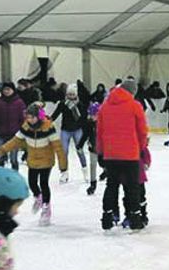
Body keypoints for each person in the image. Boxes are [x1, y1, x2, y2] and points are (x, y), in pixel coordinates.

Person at [0, 103, 67, 227]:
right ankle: (38, 198)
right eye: (28, 117)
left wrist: (63, 166)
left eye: (32, 117)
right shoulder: (26, 127)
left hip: (46, 160)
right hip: (32, 159)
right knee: (32, 183)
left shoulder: (48, 127)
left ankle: (46, 208)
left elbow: (58, 147)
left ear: (38, 116)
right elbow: (15, 141)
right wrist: (1, 150)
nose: (30, 120)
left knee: (43, 183)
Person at [96, 80, 148, 231]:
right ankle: (135, 219)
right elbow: (142, 131)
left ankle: (107, 218)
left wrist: (101, 151)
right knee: (132, 188)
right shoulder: (135, 106)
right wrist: (142, 148)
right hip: (130, 153)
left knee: (111, 186)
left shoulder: (104, 106)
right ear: (132, 92)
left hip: (111, 154)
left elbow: (99, 132)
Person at [51, 86, 88, 184]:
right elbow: (55, 114)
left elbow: (84, 117)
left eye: (73, 94)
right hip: (65, 130)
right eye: (69, 94)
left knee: (80, 150)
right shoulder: (63, 104)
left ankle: (85, 170)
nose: (71, 96)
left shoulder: (80, 104)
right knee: (64, 152)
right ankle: (64, 172)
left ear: (76, 95)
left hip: (77, 130)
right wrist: (48, 120)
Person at [0, 83, 26, 172]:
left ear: (13, 90)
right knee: (0, 156)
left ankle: (15, 175)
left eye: (8, 89)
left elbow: (23, 118)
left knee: (13, 158)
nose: (6, 91)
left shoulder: (19, 103)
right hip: (2, 134)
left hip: (15, 134)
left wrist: (24, 130)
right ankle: (0, 174)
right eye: (5, 89)